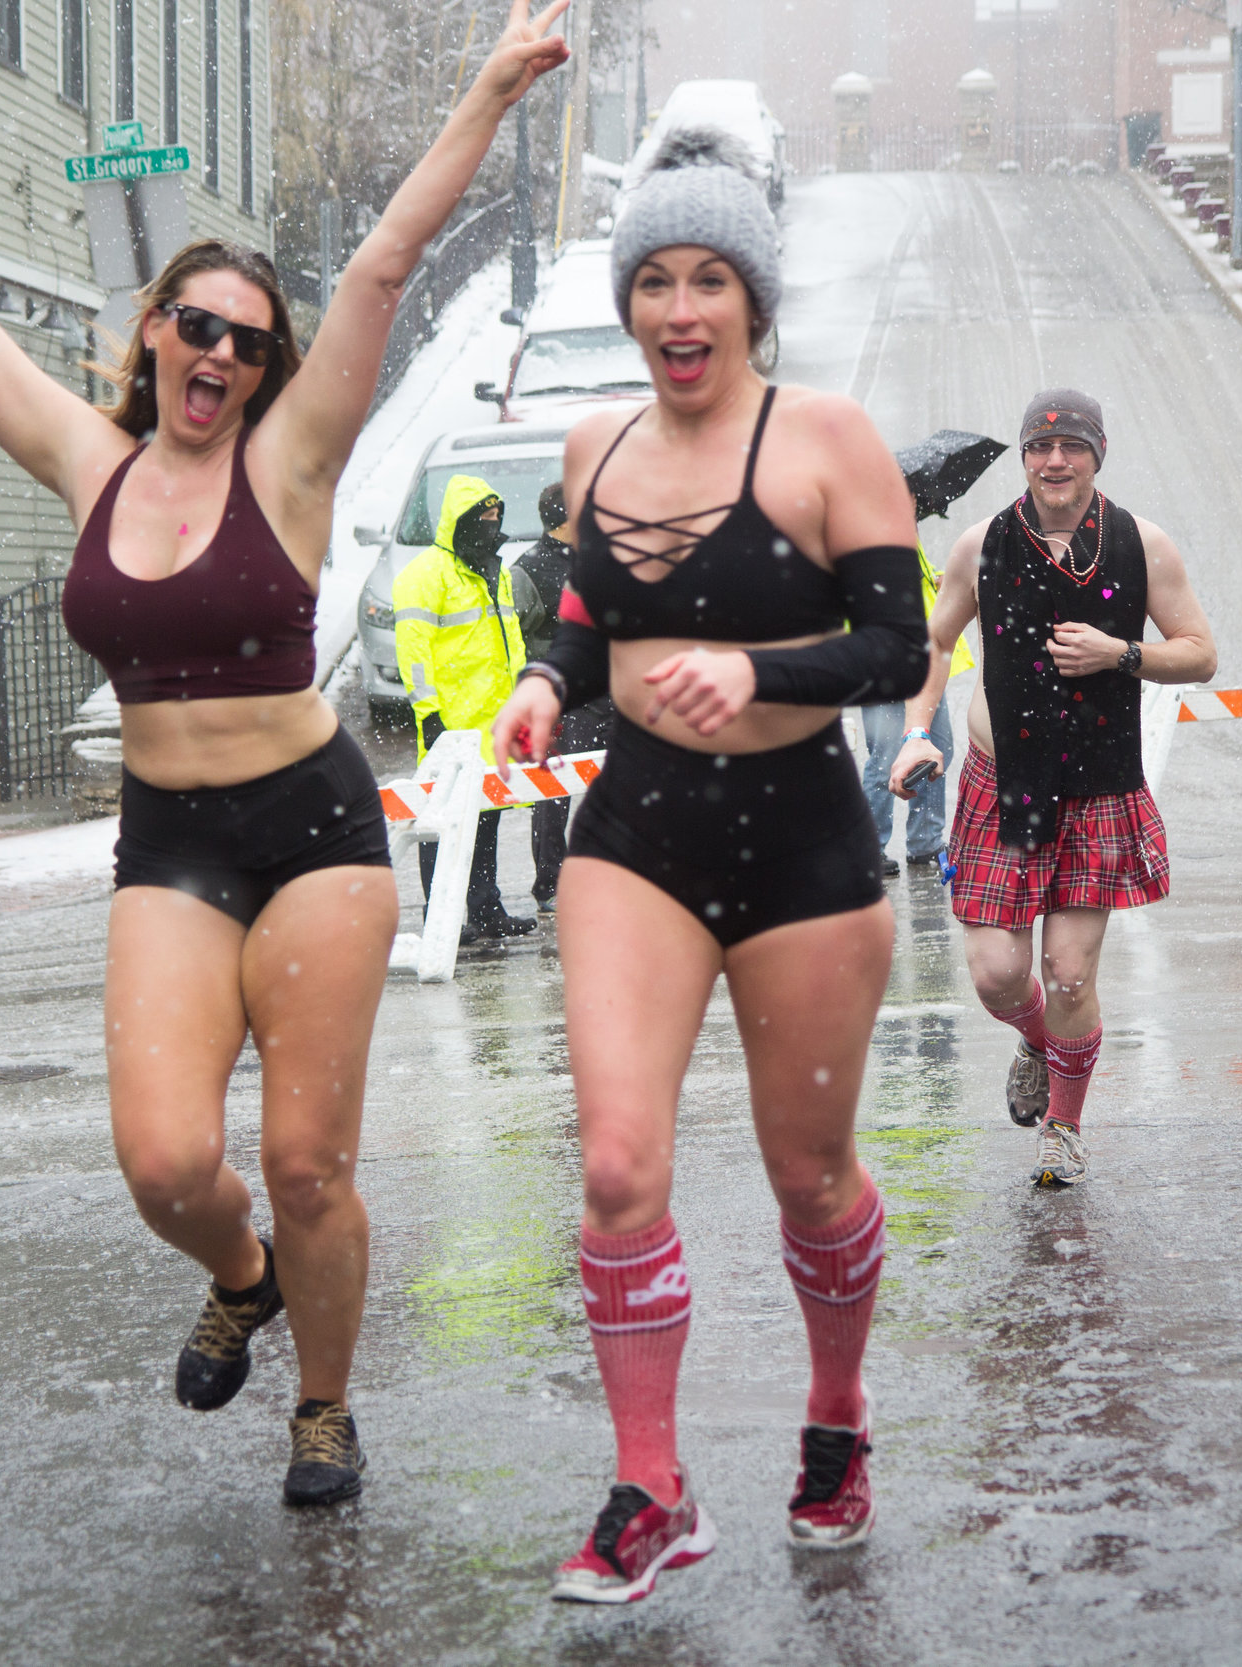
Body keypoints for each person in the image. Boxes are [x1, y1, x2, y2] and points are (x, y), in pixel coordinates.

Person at [0, 2, 570, 1510]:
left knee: (311, 1155)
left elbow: (385, 259)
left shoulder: (292, 458)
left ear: (267, 369)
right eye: (196, 324)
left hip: (315, 831)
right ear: (152, 329)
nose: (221, 353)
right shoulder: (89, 458)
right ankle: (241, 1273)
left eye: (249, 342)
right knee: (165, 1162)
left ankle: (323, 1404)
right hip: (172, 843)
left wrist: (490, 87)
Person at [487, 128, 930, 1601]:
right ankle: (650, 1483)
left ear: (752, 297)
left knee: (809, 1178)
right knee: (617, 1165)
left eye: (709, 281)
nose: (681, 310)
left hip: (804, 842)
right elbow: (581, 612)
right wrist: (553, 683)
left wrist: (753, 666)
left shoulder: (827, 438)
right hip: (642, 836)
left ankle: (837, 1411)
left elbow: (894, 645)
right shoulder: (591, 445)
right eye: (655, 281)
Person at [890, 391, 1218, 1188]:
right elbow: (933, 643)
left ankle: (1063, 1128)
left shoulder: (1142, 544)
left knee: (1070, 971)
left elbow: (1201, 653)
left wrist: (1120, 653)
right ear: (1026, 460)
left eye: (1071, 445)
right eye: (1041, 448)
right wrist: (913, 731)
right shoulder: (982, 545)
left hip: (1096, 786)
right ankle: (1037, 1040)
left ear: (1097, 453)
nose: (1054, 460)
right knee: (999, 974)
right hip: (1003, 786)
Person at [393, 475, 537, 940]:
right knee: (439, 821)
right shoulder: (425, 576)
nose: (492, 528)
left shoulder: (494, 571)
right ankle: (442, 916)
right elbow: (414, 653)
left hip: (493, 722)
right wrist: (428, 712)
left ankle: (484, 908)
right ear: (462, 521)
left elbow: (511, 640)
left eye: (497, 519)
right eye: (484, 520)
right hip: (450, 724)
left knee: (486, 819)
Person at [512, 481, 615, 909]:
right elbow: (516, 635)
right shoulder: (528, 569)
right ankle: (551, 883)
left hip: (611, 694)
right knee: (553, 794)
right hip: (567, 705)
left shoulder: (600, 560)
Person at [857, 532, 970, 879]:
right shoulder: (863, 536)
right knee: (885, 762)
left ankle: (925, 843)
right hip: (887, 663)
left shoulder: (906, 534)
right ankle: (869, 848)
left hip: (925, 662)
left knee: (938, 751)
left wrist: (936, 578)